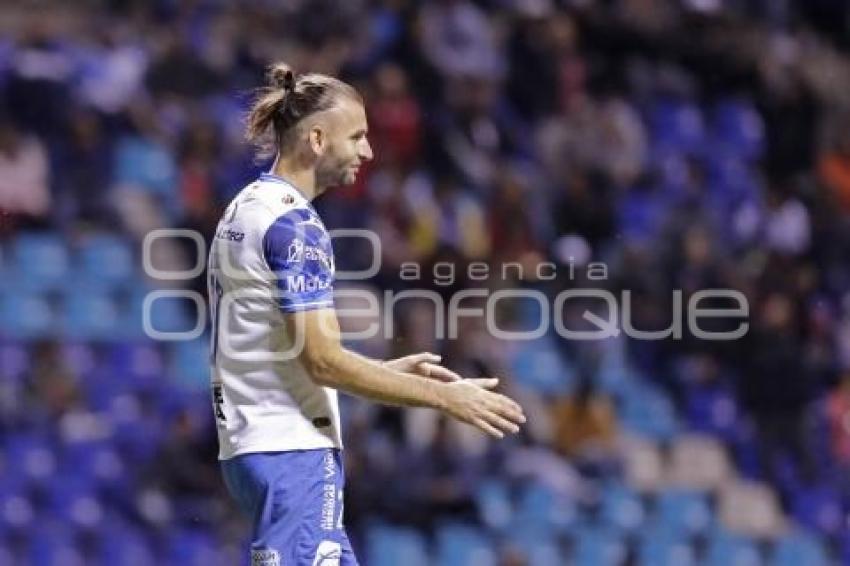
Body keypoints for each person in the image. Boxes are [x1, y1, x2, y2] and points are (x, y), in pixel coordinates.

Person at [207, 62, 526, 566]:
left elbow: (282, 346)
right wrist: (445, 396)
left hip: (253, 444)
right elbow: (323, 362)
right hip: (292, 452)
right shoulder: (296, 226)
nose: (368, 151)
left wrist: (385, 372)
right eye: (356, 136)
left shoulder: (246, 207)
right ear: (316, 138)